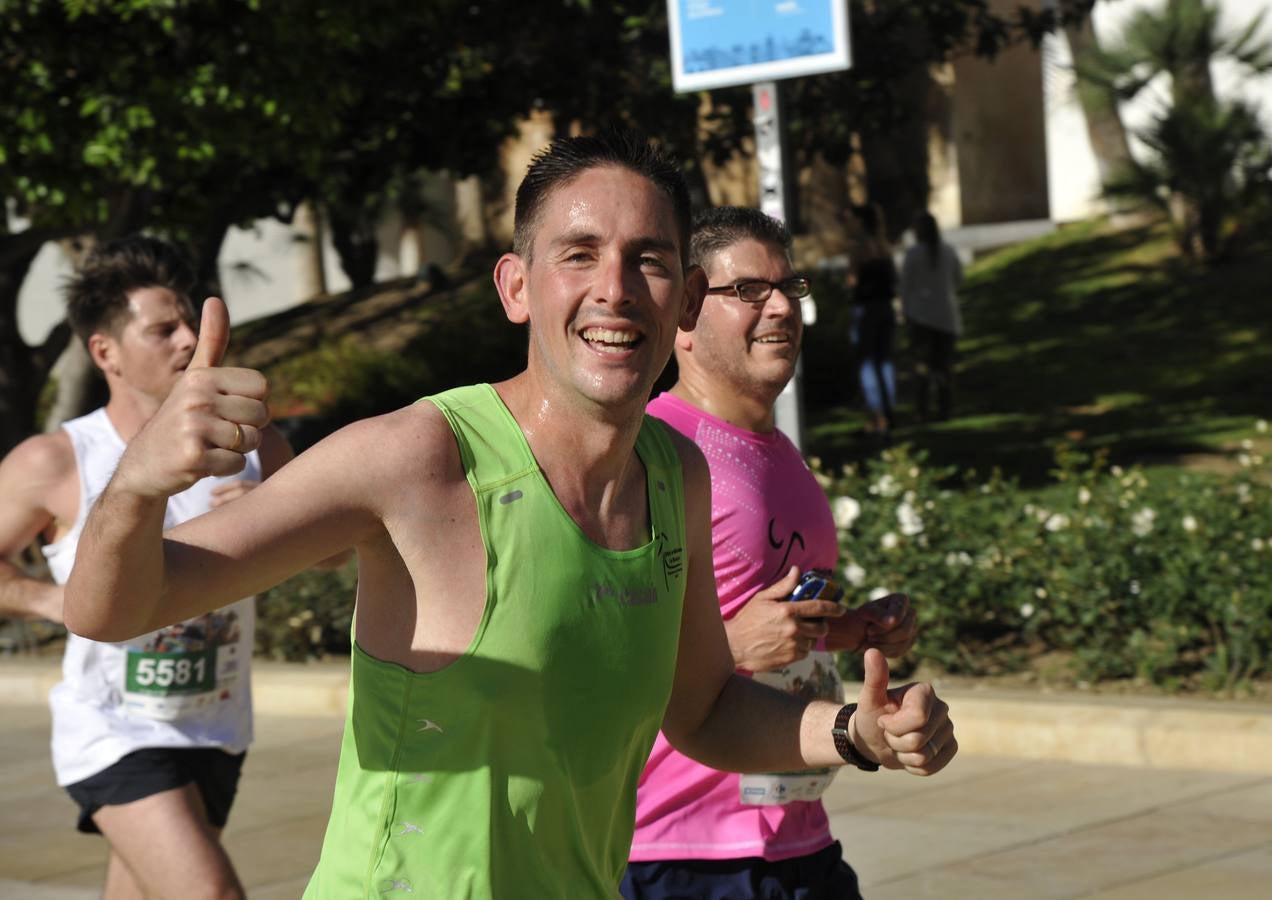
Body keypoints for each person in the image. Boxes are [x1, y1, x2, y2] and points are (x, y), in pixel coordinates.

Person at [61, 131, 957, 898]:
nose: (614, 287)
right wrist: (137, 487)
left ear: (683, 300)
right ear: (516, 287)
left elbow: (704, 712)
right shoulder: (419, 457)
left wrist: (854, 734)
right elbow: (112, 609)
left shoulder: (673, 470)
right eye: (578, 253)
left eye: (647, 258)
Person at [625, 207, 920, 900]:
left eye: (791, 287)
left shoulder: (783, 458)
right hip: (676, 851)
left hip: (797, 831)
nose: (783, 306)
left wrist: (852, 630)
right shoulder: (653, 452)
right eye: (751, 291)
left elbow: (773, 622)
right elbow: (604, 649)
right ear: (687, 310)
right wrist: (729, 644)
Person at [0, 236, 299, 899]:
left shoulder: (252, 444)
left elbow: (334, 548)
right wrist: (57, 602)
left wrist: (276, 519)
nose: (188, 340)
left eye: (189, 321)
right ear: (105, 352)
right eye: (163, 329)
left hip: (216, 725)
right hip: (113, 730)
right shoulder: (57, 460)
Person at [900, 211, 964, 421]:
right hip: (946, 316)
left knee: (922, 366)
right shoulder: (948, 251)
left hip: (921, 316)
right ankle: (945, 408)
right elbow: (958, 279)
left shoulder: (913, 254)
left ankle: (923, 409)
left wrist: (906, 311)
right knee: (944, 366)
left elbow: (905, 286)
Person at [846, 203, 898, 438]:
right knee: (885, 360)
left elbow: (852, 280)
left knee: (867, 363)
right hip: (885, 307)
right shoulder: (884, 246)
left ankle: (876, 416)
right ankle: (890, 411)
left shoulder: (858, 248)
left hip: (865, 308)